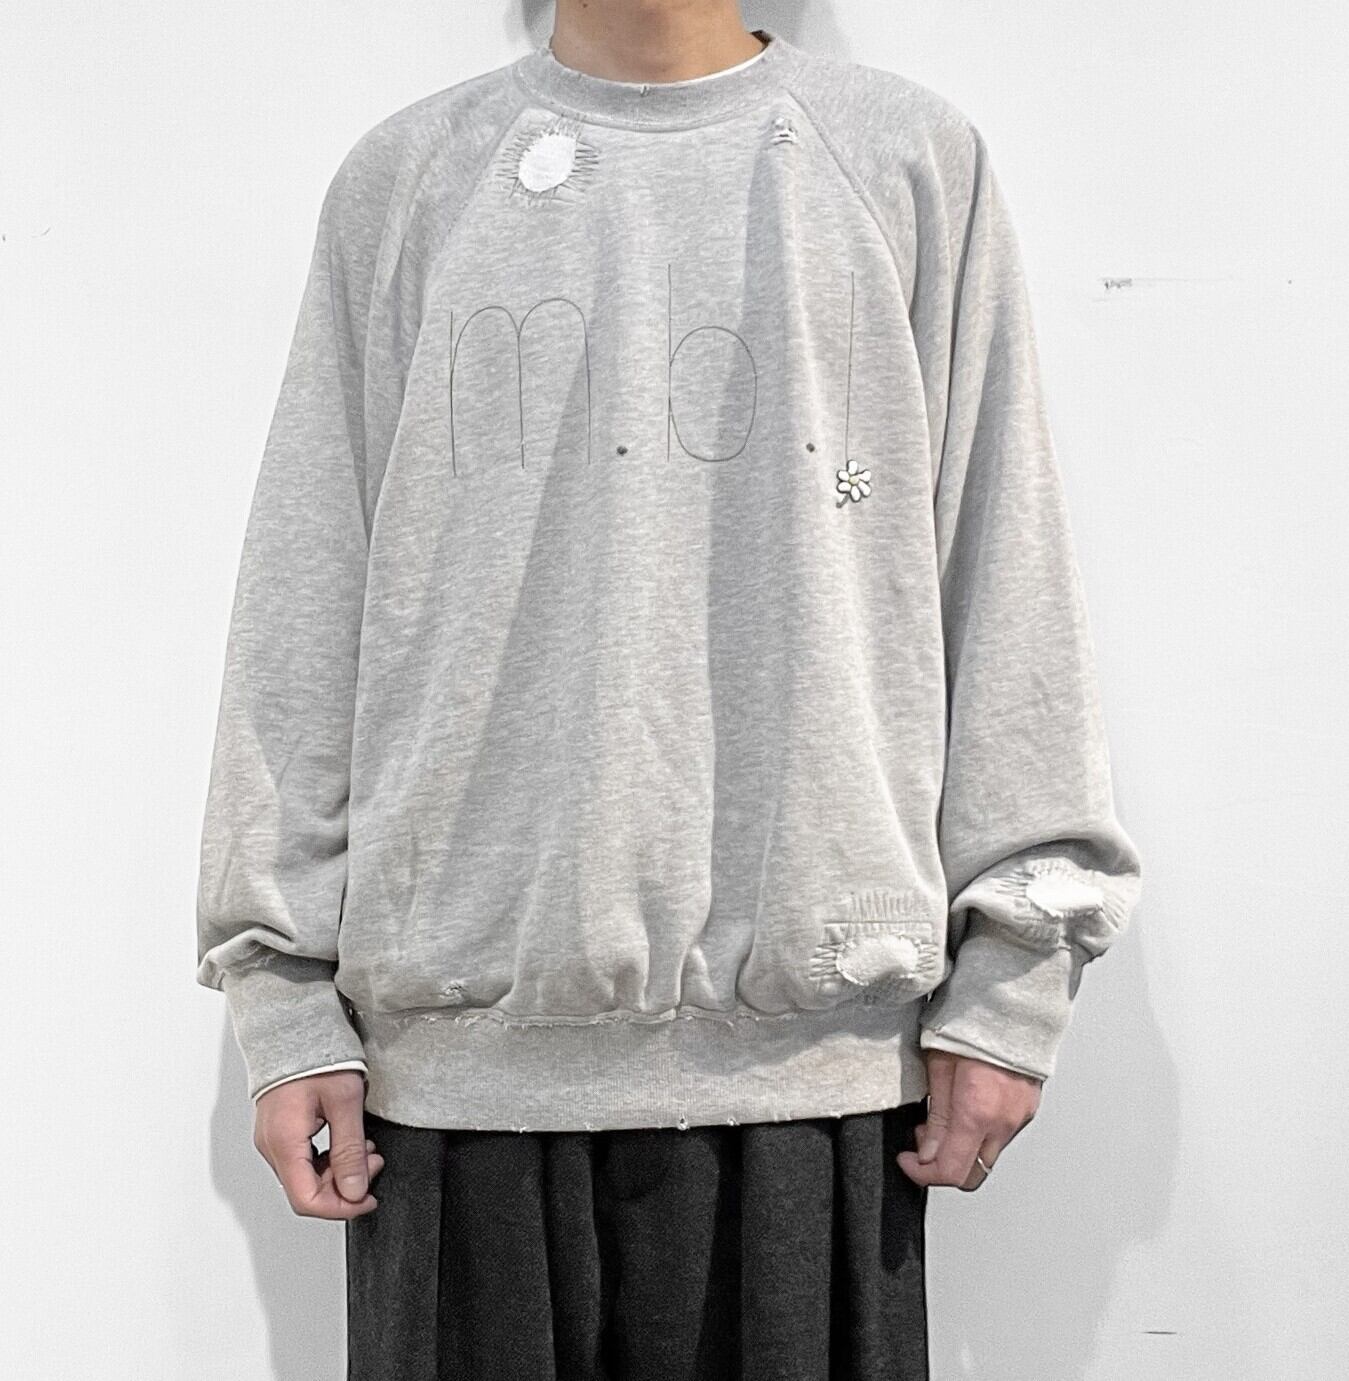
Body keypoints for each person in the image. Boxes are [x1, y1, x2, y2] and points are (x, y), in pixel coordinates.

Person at [195, 4, 1142, 1377]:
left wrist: (1016, 975)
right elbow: (306, 595)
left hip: (812, 1082)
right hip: (458, 1084)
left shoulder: (906, 163)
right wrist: (280, 997)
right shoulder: (409, 181)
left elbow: (1002, 567)